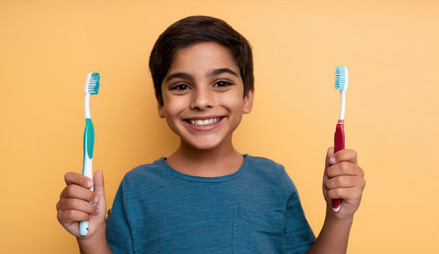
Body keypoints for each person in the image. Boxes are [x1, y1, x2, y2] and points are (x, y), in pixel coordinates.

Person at [56, 15, 365, 254]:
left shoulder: (274, 181)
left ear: (247, 98)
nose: (201, 101)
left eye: (221, 83)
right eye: (181, 86)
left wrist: (340, 217)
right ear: (161, 103)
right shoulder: (136, 188)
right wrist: (92, 238)